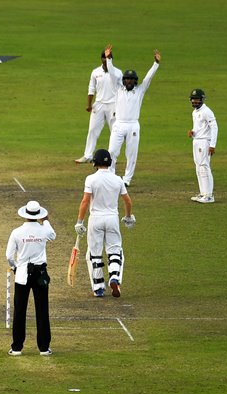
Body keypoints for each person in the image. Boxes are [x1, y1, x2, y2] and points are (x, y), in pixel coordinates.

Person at [74, 149, 135, 298]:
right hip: (112, 218)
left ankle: (99, 287)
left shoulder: (90, 179)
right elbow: (127, 200)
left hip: (95, 219)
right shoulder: (118, 180)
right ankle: (114, 277)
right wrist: (128, 216)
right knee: (115, 251)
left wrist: (79, 222)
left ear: (95, 163)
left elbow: (85, 201)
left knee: (94, 253)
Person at [104, 44, 161, 187]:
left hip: (133, 125)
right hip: (119, 124)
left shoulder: (140, 90)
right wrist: (109, 58)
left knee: (131, 153)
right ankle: (111, 175)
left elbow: (148, 78)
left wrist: (156, 63)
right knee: (112, 151)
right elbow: (111, 74)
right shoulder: (118, 89)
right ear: (123, 80)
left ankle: (127, 179)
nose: (129, 81)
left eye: (131, 79)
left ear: (135, 81)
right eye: (127, 79)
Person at [6, 200, 56, 356]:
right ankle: (44, 348)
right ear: (38, 215)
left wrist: (15, 267)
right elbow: (53, 235)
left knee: (19, 310)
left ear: (26, 215)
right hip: (40, 274)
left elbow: (9, 256)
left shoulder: (16, 232)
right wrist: (46, 220)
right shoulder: (43, 230)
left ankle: (16, 348)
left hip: (21, 274)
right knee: (42, 310)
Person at [75, 50, 122, 164]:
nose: (105, 60)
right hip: (99, 104)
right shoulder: (95, 72)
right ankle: (88, 155)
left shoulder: (117, 73)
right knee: (92, 129)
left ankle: (113, 157)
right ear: (101, 59)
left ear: (111, 59)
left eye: (108, 58)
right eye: (103, 58)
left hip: (113, 105)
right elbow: (91, 88)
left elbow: (121, 91)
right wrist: (89, 104)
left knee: (115, 132)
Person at [188, 88, 218, 204]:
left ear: (202, 100)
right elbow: (198, 127)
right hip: (196, 141)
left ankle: (209, 195)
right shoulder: (195, 112)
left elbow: (214, 128)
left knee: (204, 166)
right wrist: (193, 132)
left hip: (205, 142)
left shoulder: (207, 111)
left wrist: (212, 145)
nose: (195, 102)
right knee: (198, 166)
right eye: (193, 99)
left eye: (197, 99)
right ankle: (203, 193)